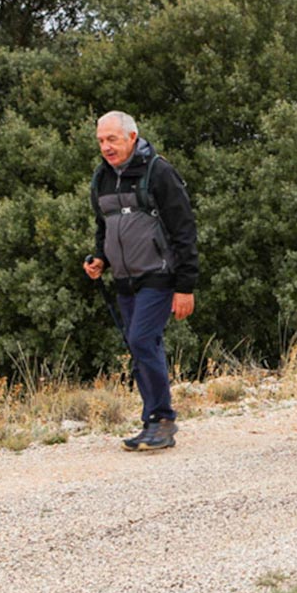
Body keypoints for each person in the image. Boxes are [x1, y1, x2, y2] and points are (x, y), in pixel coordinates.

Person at [85, 110, 198, 452]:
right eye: (101, 141)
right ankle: (152, 420)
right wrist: (99, 257)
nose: (106, 147)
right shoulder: (102, 178)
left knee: (142, 339)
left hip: (159, 275)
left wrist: (185, 287)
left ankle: (163, 418)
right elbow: (105, 226)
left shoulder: (158, 172)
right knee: (139, 346)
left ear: (132, 137)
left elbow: (184, 230)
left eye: (112, 139)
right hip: (124, 279)